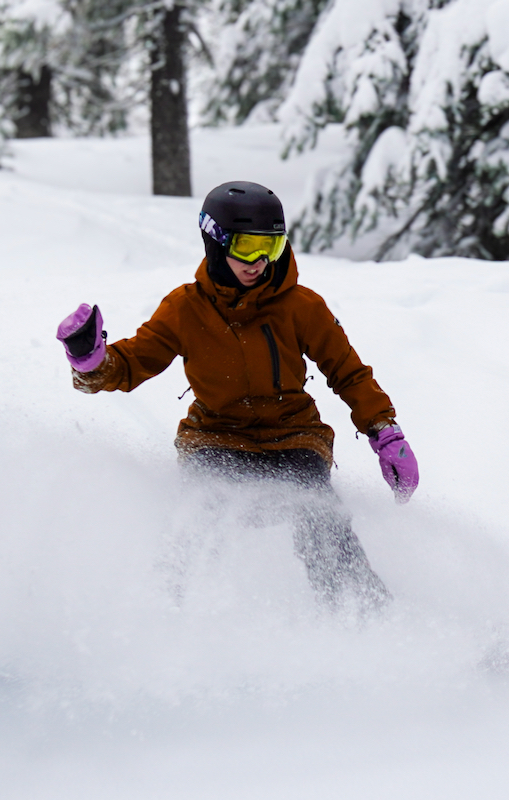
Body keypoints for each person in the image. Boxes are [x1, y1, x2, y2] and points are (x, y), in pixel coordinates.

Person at [56, 181, 418, 615]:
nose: (260, 261)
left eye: (273, 245)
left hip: (293, 437)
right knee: (199, 517)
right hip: (215, 437)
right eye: (247, 246)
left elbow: (348, 372)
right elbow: (133, 362)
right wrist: (92, 362)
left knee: (321, 518)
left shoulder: (300, 306)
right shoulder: (184, 309)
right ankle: (164, 616)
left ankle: (367, 616)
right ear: (216, 240)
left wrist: (384, 431)